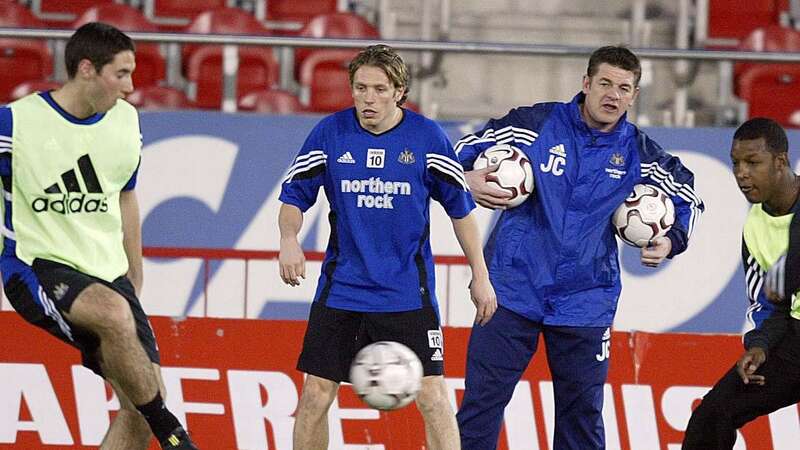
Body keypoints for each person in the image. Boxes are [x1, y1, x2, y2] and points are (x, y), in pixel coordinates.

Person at [454, 45, 705, 449]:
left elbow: (689, 196)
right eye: (604, 83)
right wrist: (466, 179)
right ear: (586, 83)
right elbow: (449, 157)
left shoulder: (640, 153)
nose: (613, 95)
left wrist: (671, 240)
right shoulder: (533, 124)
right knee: (481, 406)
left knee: (581, 416)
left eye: (624, 88)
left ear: (634, 95)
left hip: (586, 300)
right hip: (510, 291)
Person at [278, 44, 497, 450]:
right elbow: (293, 198)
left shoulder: (428, 137)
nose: (368, 98)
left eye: (379, 89)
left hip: (406, 294)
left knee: (432, 396)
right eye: (360, 88)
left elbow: (461, 212)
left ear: (399, 91)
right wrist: (289, 239)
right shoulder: (330, 133)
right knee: (315, 395)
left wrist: (480, 276)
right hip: (342, 288)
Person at [0, 23, 197, 450]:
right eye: (121, 74)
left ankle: (155, 419)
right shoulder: (14, 124)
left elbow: (125, 196)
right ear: (87, 69)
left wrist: (135, 274)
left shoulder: (126, 120)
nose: (130, 87)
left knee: (137, 406)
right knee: (114, 319)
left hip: (107, 273)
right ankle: (173, 432)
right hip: (36, 265)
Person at [682, 118, 800, 449]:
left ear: (780, 162)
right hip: (794, 339)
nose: (741, 173)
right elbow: (770, 304)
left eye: (753, 162)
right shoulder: (755, 227)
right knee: (712, 416)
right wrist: (759, 347)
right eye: (736, 163)